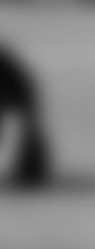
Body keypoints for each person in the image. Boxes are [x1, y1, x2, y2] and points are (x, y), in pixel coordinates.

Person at [0, 40, 54, 191]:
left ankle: (32, 173)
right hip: (15, 87)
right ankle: (31, 172)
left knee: (30, 128)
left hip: (15, 86)